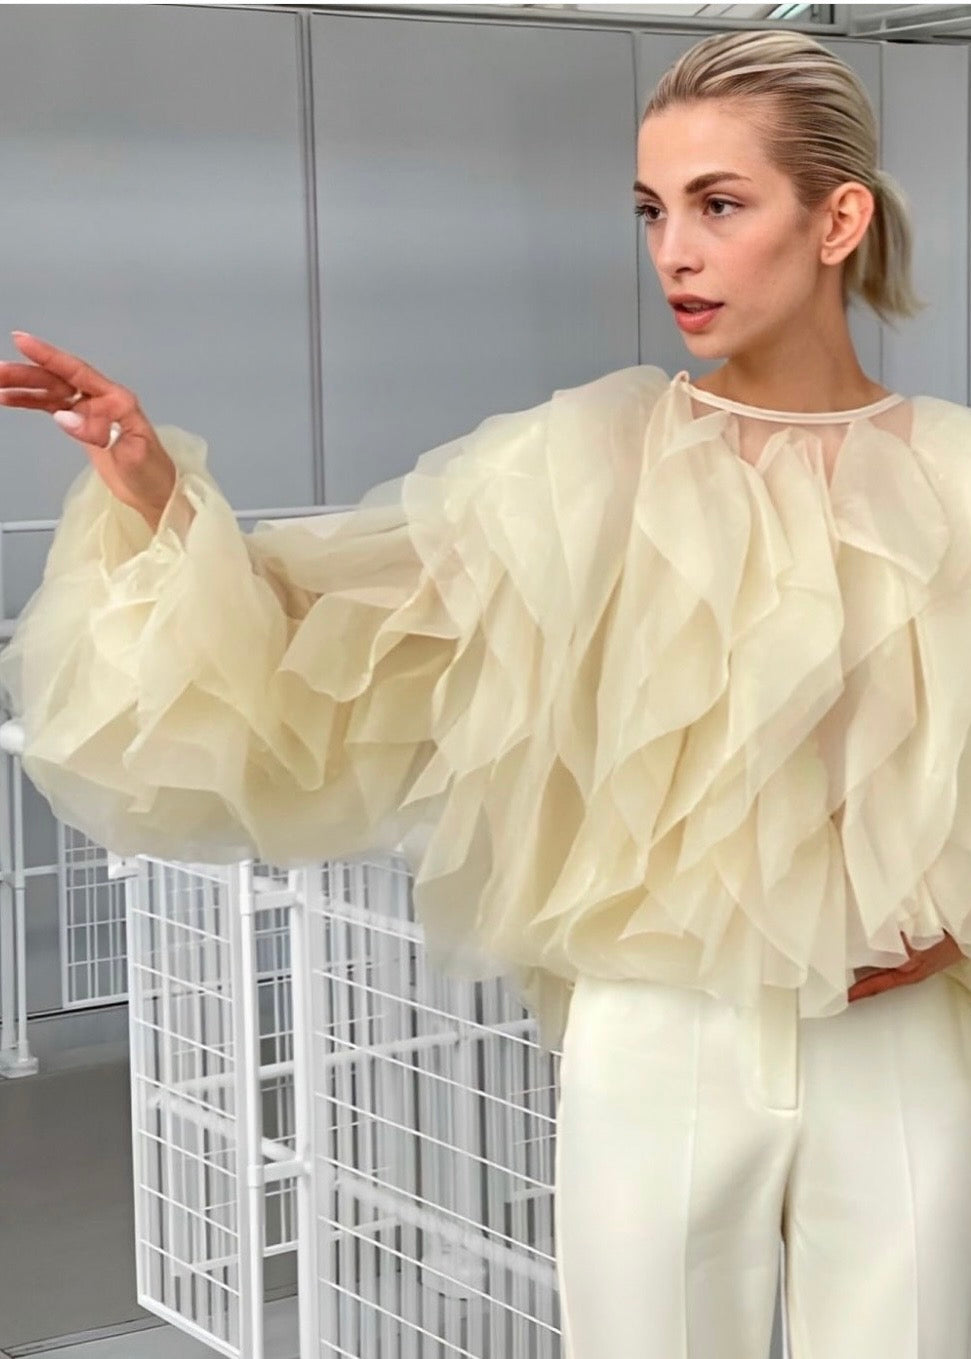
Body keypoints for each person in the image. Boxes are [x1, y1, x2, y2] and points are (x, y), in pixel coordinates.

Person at [1, 25, 971, 1358]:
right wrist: (157, 490)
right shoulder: (592, 459)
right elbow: (343, 623)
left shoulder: (957, 476)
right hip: (658, 1030)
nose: (675, 252)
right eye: (652, 211)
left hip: (897, 1036)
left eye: (719, 205)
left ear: (837, 219)